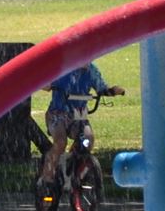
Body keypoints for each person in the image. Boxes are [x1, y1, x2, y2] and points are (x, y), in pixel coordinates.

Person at [35, 61, 121, 193]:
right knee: (60, 141)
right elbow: (45, 83)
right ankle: (47, 178)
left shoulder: (91, 70)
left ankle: (73, 169)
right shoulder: (62, 68)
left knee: (88, 140)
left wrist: (112, 91)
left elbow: (101, 88)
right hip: (57, 114)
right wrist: (46, 84)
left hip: (79, 114)